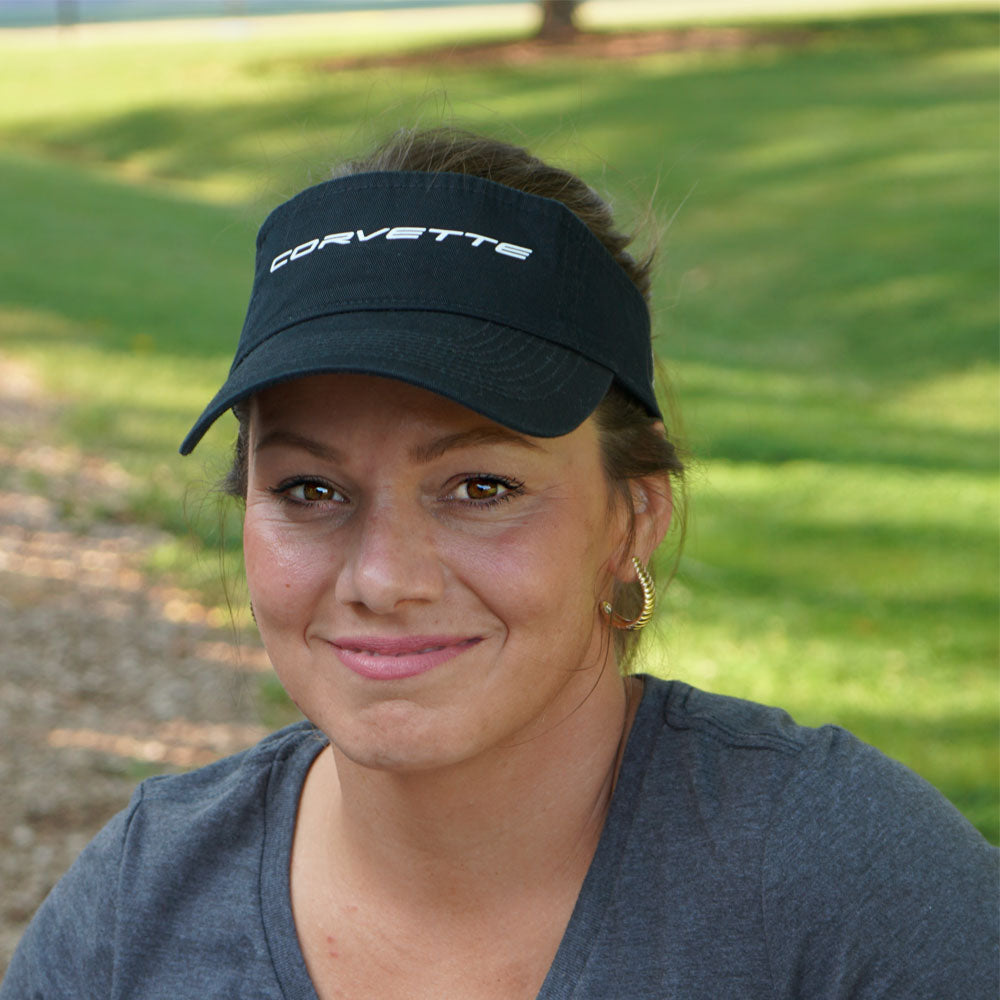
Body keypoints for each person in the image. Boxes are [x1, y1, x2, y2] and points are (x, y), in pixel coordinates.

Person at [2, 128, 996, 999]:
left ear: (630, 520)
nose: (383, 578)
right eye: (311, 489)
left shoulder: (847, 888)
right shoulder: (140, 909)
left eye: (480, 487)